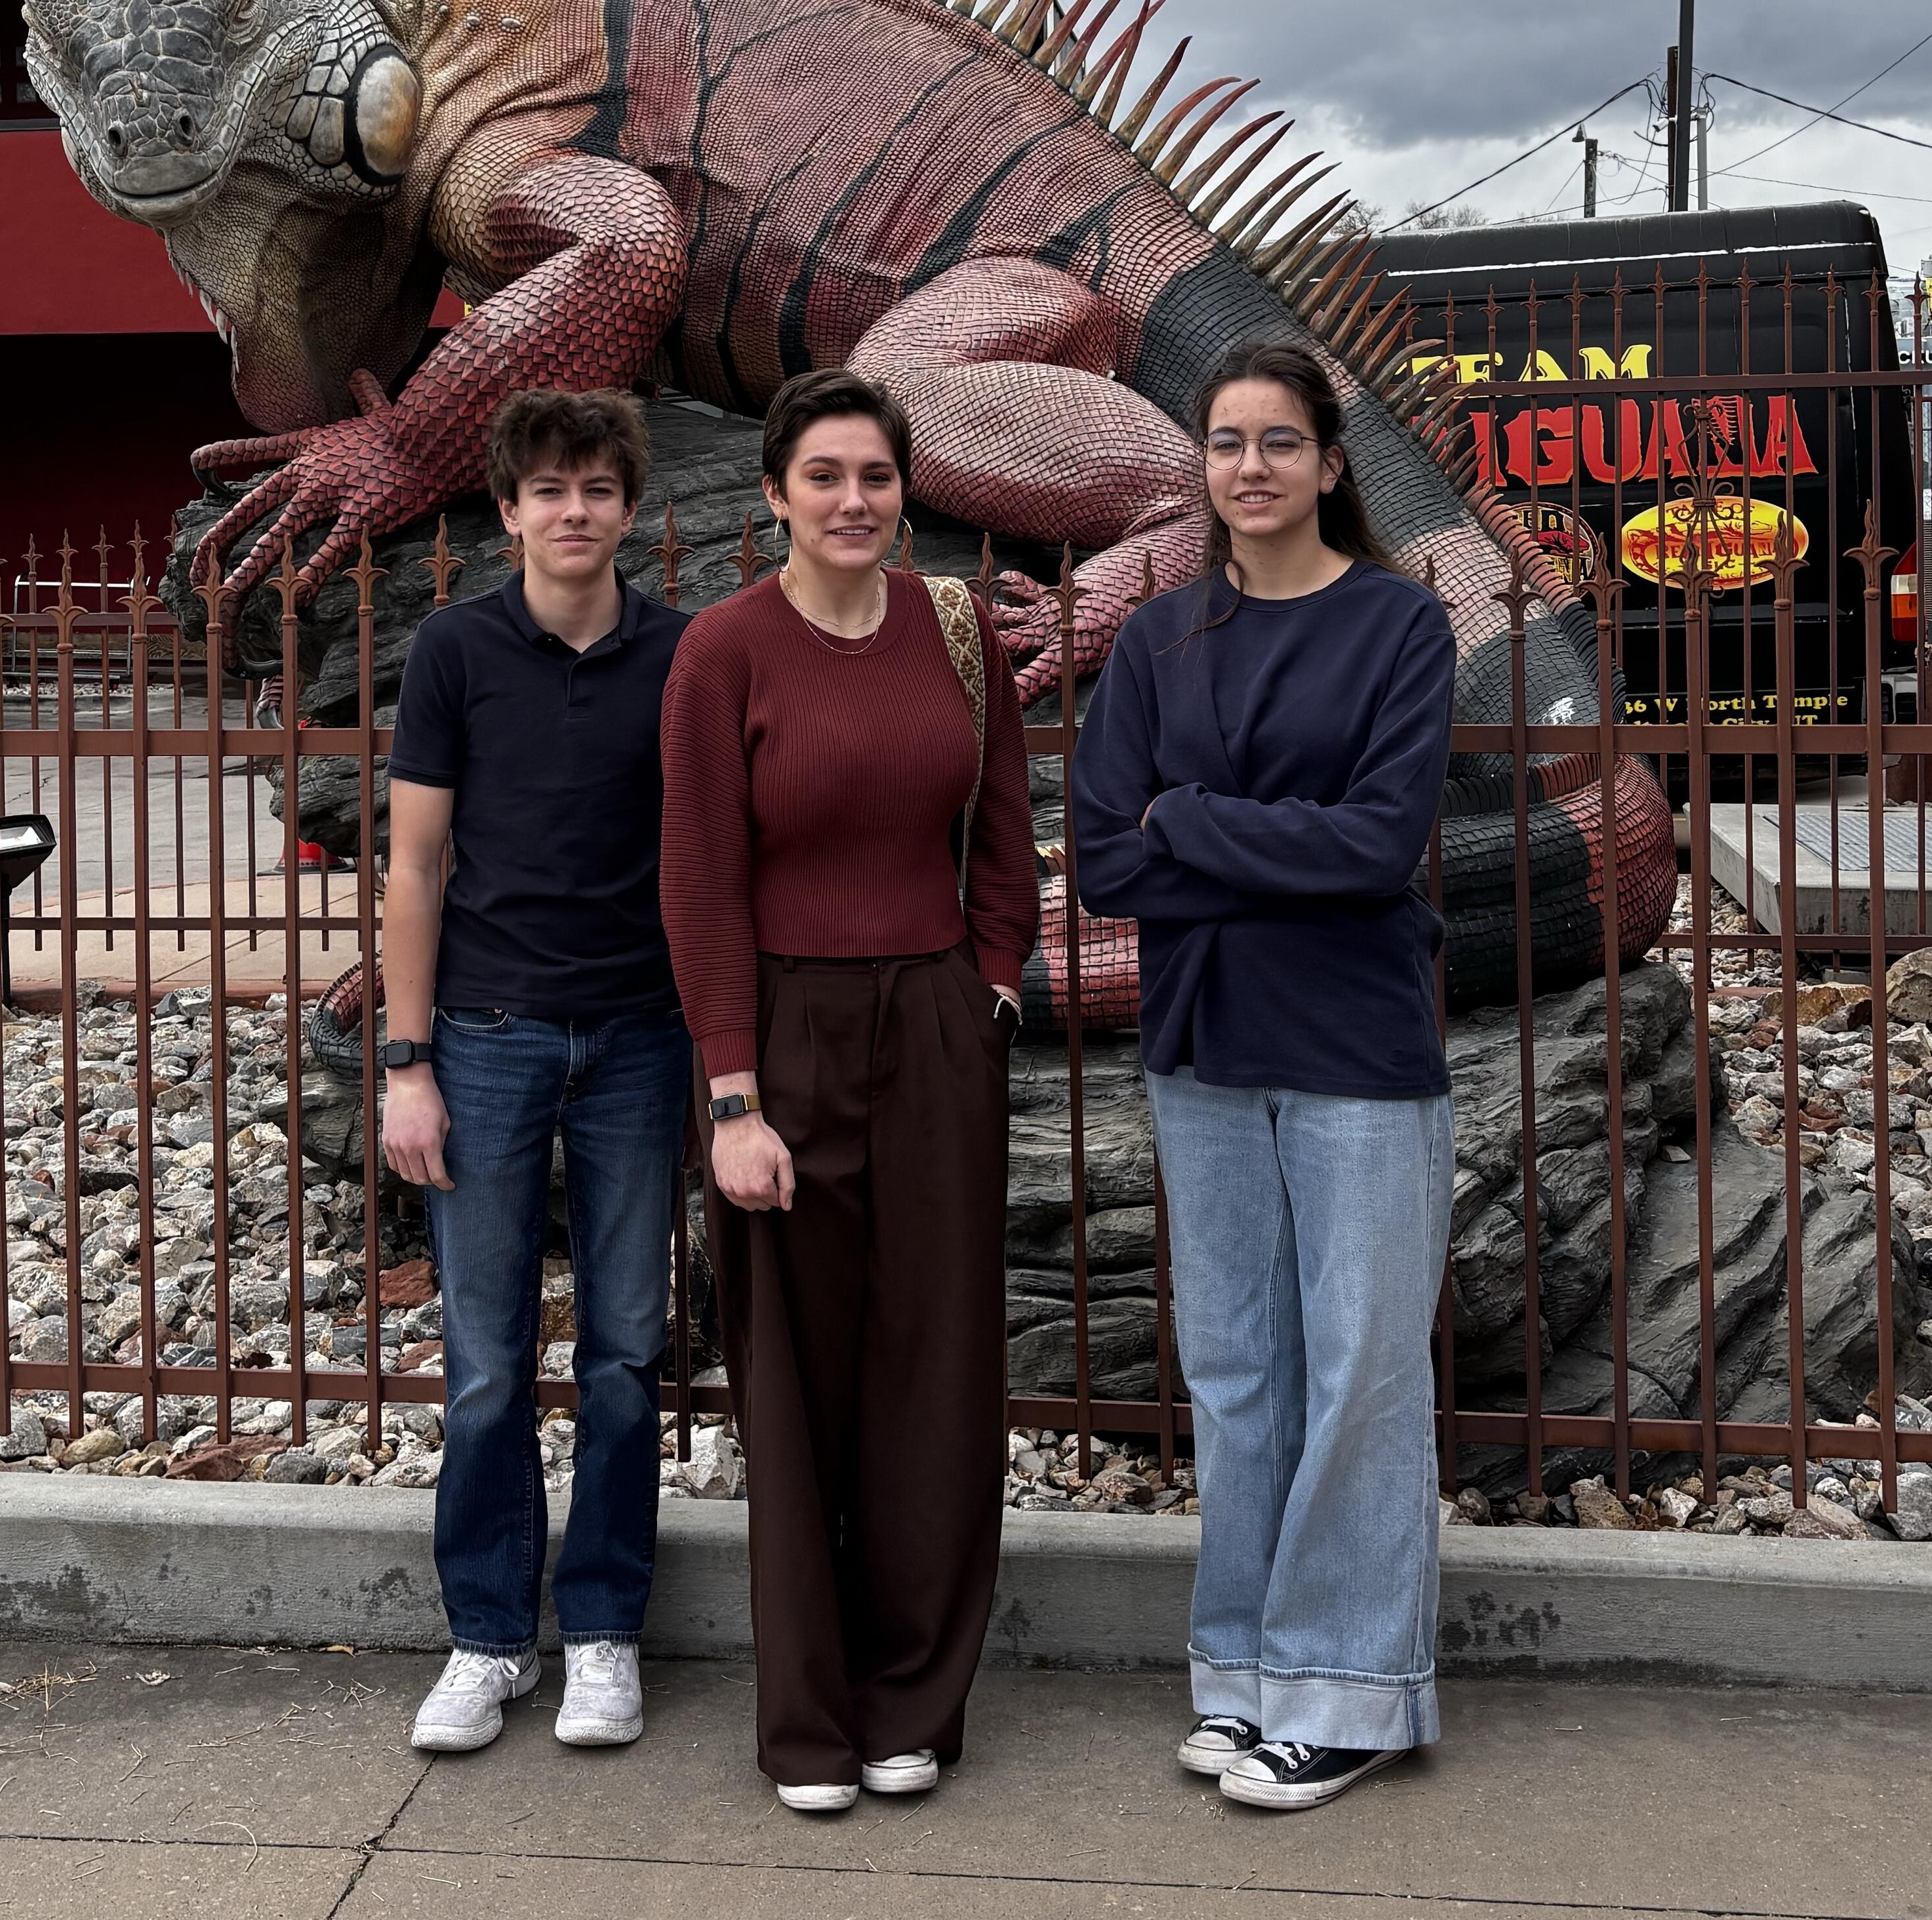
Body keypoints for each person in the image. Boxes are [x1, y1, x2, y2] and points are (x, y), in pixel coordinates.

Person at [1070, 338, 1457, 1814]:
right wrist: (1238, 844)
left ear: (1331, 464)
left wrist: (1188, 819)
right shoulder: (1159, 641)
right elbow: (1104, 863)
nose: (1251, 466)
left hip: (1355, 1045)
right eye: (1227, 442)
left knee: (1363, 1365)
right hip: (1207, 1043)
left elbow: (1377, 847)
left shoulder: (1398, 627)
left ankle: (1347, 1691)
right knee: (1239, 1370)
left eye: (1280, 441)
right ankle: (1241, 1669)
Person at [658, 370, 1039, 1813]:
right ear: (774, 494)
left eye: (875, 475)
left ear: (903, 490)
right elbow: (700, 882)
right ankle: (810, 1720)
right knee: (795, 1379)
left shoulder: (957, 631)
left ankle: (914, 1704)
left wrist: (991, 983)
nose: (853, 500)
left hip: (936, 1021)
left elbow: (1002, 835)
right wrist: (733, 1099)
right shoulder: (723, 651)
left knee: (937, 1367)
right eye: (823, 475)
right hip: (785, 1035)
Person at [380, 387, 690, 1756]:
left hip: (639, 1036)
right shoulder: (456, 649)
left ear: (630, 507)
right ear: (507, 512)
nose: (575, 511)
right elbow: (415, 867)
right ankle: (491, 1637)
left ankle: (606, 1629)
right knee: (488, 1362)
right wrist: (407, 1063)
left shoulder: (681, 655)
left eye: (598, 489)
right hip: (488, 1036)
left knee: (624, 1353)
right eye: (549, 490)